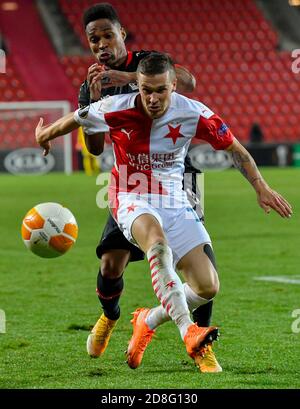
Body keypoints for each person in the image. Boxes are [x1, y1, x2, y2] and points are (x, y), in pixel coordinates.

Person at [35, 52, 293, 372]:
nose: (153, 98)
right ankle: (189, 332)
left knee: (207, 286)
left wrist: (261, 187)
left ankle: (149, 319)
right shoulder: (116, 108)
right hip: (129, 195)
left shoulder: (194, 113)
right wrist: (44, 135)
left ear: (173, 85)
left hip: (174, 200)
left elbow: (235, 150)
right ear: (138, 87)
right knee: (156, 246)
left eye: (160, 90)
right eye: (146, 90)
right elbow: (76, 118)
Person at [77, 3, 218, 372]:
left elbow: (188, 83)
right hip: (133, 180)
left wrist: (125, 79)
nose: (103, 44)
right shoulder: (90, 84)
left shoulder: (149, 62)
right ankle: (111, 316)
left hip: (177, 175)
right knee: (112, 264)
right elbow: (94, 147)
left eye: (108, 34)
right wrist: (90, 104)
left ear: (122, 33)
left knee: (200, 261)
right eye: (95, 39)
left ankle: (199, 342)